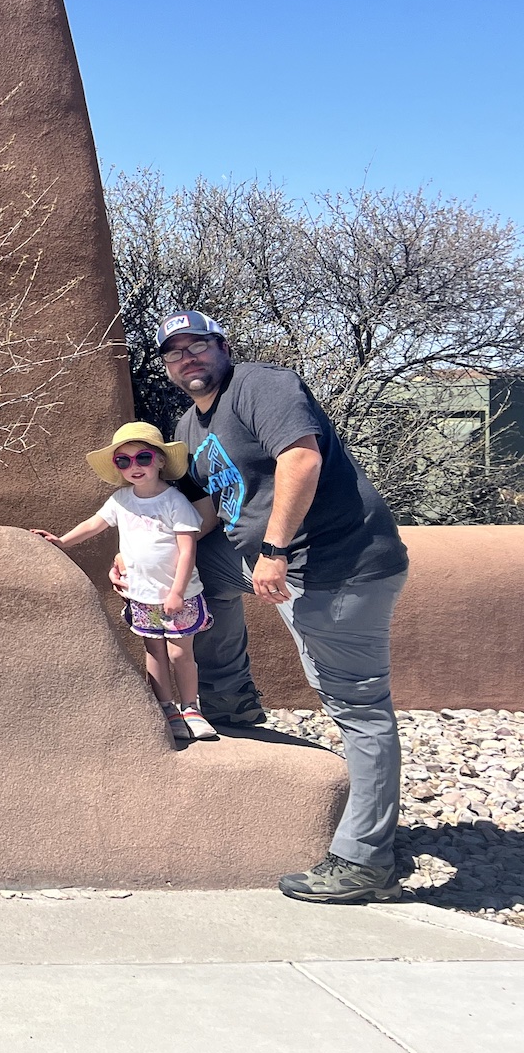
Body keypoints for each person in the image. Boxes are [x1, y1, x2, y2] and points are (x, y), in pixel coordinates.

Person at [157, 309, 410, 904]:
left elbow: (302, 459)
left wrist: (273, 550)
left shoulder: (260, 385)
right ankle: (228, 696)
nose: (187, 359)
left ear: (222, 347)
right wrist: (145, 550)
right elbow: (211, 512)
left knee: (359, 708)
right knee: (201, 574)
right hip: (265, 564)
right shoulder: (189, 425)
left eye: (198, 345)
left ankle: (364, 860)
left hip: (337, 568)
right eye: (175, 353)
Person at [34, 422, 220, 742]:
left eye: (143, 458)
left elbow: (188, 550)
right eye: (124, 461)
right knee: (154, 652)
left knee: (180, 654)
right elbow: (95, 523)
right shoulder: (120, 500)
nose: (135, 466)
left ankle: (191, 708)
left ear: (160, 460)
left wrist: (176, 591)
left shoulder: (175, 502)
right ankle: (166, 709)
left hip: (180, 596)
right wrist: (63, 541)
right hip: (143, 596)